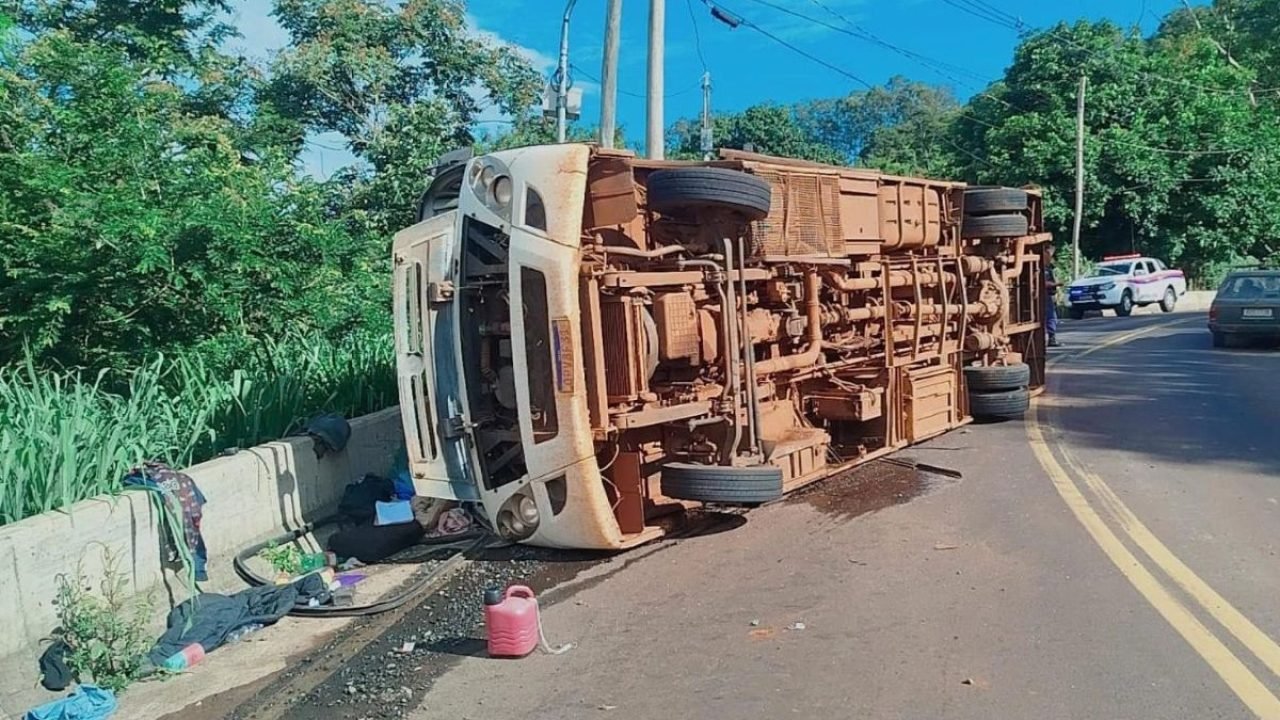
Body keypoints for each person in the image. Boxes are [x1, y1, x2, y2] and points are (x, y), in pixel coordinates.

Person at [1045, 253, 1061, 347]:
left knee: (1051, 316)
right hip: (1045, 295)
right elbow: (1044, 283)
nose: (1051, 259)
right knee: (1050, 317)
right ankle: (1051, 338)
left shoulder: (1048, 268)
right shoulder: (1044, 270)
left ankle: (1052, 337)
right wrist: (1056, 284)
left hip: (1049, 295)